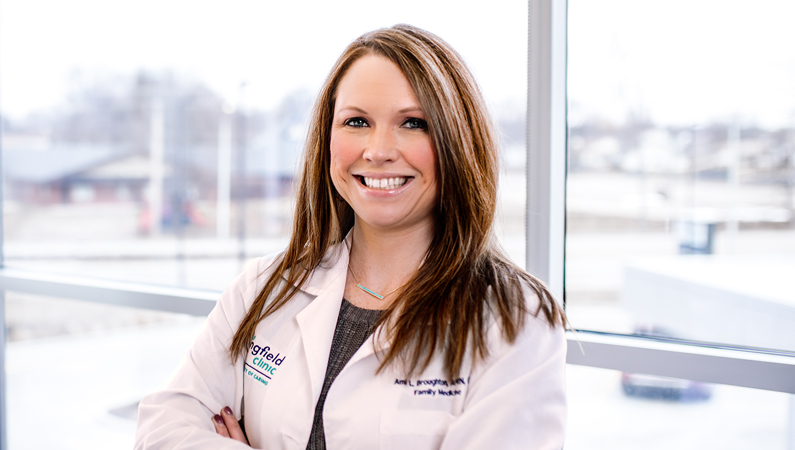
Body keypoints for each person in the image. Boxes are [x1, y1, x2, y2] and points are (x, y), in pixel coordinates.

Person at [135, 24, 567, 450]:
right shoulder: (264, 288)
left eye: (413, 123)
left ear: (459, 142)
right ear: (327, 139)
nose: (378, 151)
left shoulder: (515, 321)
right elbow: (165, 428)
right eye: (357, 121)